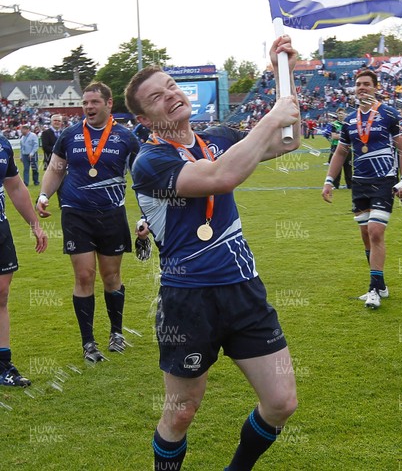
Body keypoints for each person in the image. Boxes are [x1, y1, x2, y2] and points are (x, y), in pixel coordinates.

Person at [124, 36, 300, 471]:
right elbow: (221, 176)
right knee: (181, 411)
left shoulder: (218, 137)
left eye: (171, 86)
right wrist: (271, 118)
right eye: (156, 97)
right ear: (144, 116)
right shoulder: (149, 162)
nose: (170, 96)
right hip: (188, 299)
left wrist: (283, 71)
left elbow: (289, 140)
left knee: (281, 402)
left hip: (243, 290)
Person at [36, 82, 141, 362]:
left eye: (94, 102)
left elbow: (143, 177)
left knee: (111, 277)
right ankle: (88, 343)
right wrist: (44, 195)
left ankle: (116, 333)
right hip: (76, 212)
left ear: (109, 104)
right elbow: (55, 169)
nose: (89, 107)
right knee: (84, 276)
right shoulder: (70, 135)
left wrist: (147, 214)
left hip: (111, 213)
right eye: (85, 103)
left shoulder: (126, 138)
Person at [321, 70, 402, 309]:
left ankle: (373, 289)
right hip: (359, 183)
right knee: (365, 235)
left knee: (375, 232)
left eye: (367, 84)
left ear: (375, 87)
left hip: (384, 181)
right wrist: (330, 180)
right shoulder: (349, 119)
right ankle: (380, 284)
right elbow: (341, 151)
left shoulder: (390, 114)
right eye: (358, 84)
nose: (362, 88)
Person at [0, 134, 47, 387]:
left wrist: (35, 225)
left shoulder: (3, 144)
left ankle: (2, 365)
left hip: (1, 229)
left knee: (2, 293)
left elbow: (16, 187)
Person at [327, 108, 352, 189]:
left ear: (345, 114)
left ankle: (350, 185)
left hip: (347, 147)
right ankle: (335, 185)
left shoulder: (348, 124)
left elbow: (351, 136)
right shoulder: (334, 124)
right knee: (337, 166)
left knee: (348, 167)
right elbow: (334, 136)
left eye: (342, 113)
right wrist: (345, 136)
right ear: (337, 115)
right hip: (336, 146)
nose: (341, 115)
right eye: (339, 114)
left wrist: (341, 136)